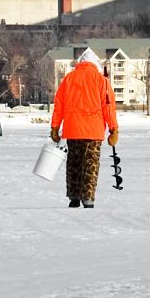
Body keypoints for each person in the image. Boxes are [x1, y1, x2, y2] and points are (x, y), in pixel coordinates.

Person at [50, 48, 119, 209]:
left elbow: (58, 106)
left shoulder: (68, 79)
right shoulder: (102, 81)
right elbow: (108, 107)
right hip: (93, 132)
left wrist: (55, 127)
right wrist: (113, 129)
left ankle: (74, 197)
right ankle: (87, 198)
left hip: (72, 130)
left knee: (74, 163)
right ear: (95, 64)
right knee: (90, 164)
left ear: (80, 64)